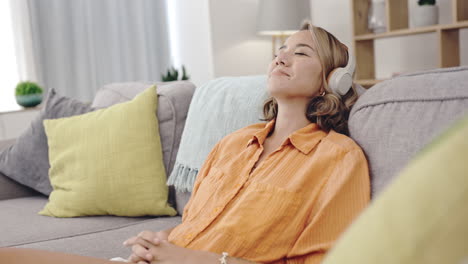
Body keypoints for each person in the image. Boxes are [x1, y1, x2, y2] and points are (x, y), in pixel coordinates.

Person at [0, 22, 370, 264]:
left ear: (332, 80)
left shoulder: (337, 158)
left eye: (301, 52)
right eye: (281, 49)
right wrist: (158, 240)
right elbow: (191, 225)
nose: (281, 55)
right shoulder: (233, 144)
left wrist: (190, 259)